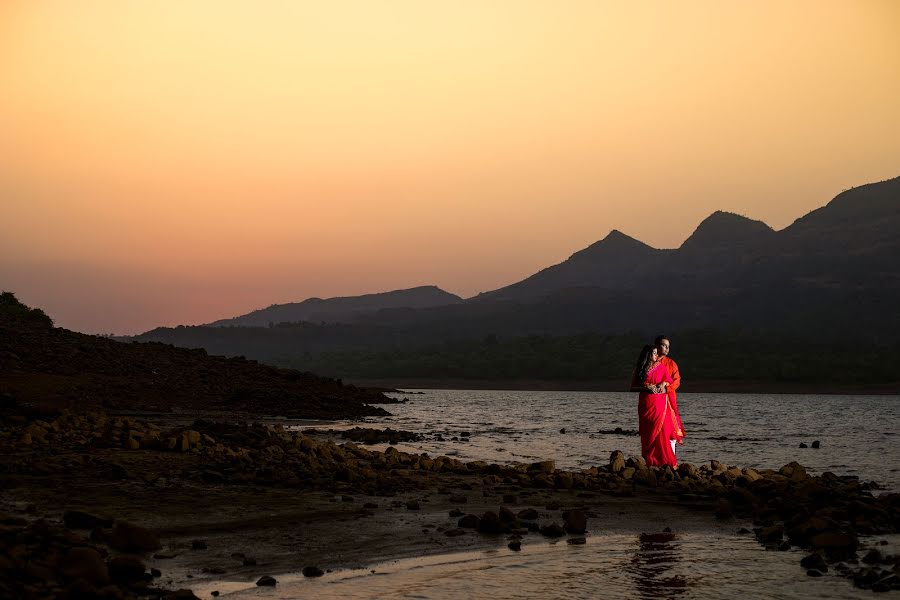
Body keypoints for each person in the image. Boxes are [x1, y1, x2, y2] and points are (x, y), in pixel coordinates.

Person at [630, 343, 683, 467]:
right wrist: (646, 387)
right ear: (647, 355)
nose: (656, 355)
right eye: (654, 353)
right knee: (647, 432)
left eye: (656, 353)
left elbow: (670, 381)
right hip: (645, 404)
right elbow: (632, 387)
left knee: (661, 432)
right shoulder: (639, 369)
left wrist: (663, 383)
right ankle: (648, 459)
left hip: (659, 403)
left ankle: (664, 460)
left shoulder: (661, 367)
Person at [655, 335, 685, 457]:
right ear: (656, 346)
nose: (667, 348)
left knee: (671, 429)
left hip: (668, 400)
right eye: (664, 345)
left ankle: (671, 458)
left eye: (668, 346)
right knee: (656, 430)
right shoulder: (650, 362)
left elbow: (677, 381)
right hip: (654, 401)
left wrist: (666, 387)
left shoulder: (671, 364)